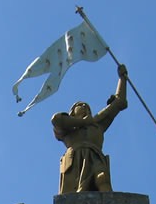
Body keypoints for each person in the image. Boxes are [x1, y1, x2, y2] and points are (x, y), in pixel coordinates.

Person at [52, 64, 128, 194]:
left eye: (86, 105)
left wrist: (123, 78)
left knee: (102, 178)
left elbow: (119, 102)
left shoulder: (97, 124)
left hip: (95, 156)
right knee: (76, 192)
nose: (84, 106)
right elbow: (56, 119)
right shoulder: (68, 130)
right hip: (75, 160)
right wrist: (82, 122)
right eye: (79, 105)